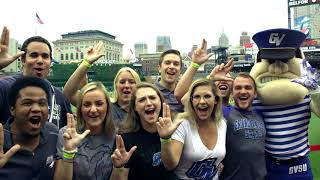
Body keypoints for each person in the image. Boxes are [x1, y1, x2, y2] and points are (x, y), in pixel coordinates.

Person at [250, 28, 320, 179]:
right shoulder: (255, 99)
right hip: (268, 165)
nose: (277, 68)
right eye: (270, 61)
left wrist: (316, 92)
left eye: (284, 60)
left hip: (299, 166)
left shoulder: (307, 95)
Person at [0, 26, 71, 128]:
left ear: (50, 61)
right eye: (34, 55)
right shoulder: (5, 87)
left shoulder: (59, 97)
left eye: (45, 56)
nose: (40, 61)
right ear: (23, 59)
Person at [157, 79, 226, 180]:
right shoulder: (182, 124)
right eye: (197, 97)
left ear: (216, 100)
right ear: (191, 101)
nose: (202, 101)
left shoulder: (222, 124)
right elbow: (170, 165)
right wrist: (165, 139)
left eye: (207, 96)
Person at [62, 42, 141, 128]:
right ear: (116, 85)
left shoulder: (143, 111)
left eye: (131, 82)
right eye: (122, 82)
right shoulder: (103, 105)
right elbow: (68, 94)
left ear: (138, 86)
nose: (126, 85)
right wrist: (86, 63)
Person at [110, 83, 177, 180]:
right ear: (135, 108)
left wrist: (165, 139)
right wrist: (119, 167)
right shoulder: (125, 138)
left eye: (152, 98)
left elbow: (171, 166)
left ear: (161, 103)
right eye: (142, 100)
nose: (149, 103)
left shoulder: (174, 129)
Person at [0, 76, 58, 180]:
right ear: (12, 110)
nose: (36, 109)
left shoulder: (53, 133)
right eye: (27, 103)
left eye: (42, 103)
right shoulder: (1, 142)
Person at [55, 82, 115, 180]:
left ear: (107, 106)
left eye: (99, 104)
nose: (93, 110)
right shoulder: (66, 134)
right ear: (80, 109)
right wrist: (68, 153)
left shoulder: (117, 136)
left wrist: (120, 167)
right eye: (87, 105)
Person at [220, 73, 266, 180]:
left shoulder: (261, 114)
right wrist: (212, 78)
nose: (243, 91)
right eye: (238, 88)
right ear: (231, 94)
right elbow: (185, 99)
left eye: (248, 88)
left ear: (255, 93)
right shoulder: (224, 112)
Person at [175, 39, 233, 116]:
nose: (223, 81)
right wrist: (210, 78)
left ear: (233, 89)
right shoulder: (205, 107)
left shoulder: (236, 111)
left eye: (227, 79)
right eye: (219, 79)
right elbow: (181, 97)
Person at [154, 49, 184, 114]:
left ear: (180, 70)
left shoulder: (186, 92)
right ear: (159, 68)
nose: (171, 66)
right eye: (167, 63)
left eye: (176, 64)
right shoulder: (151, 92)